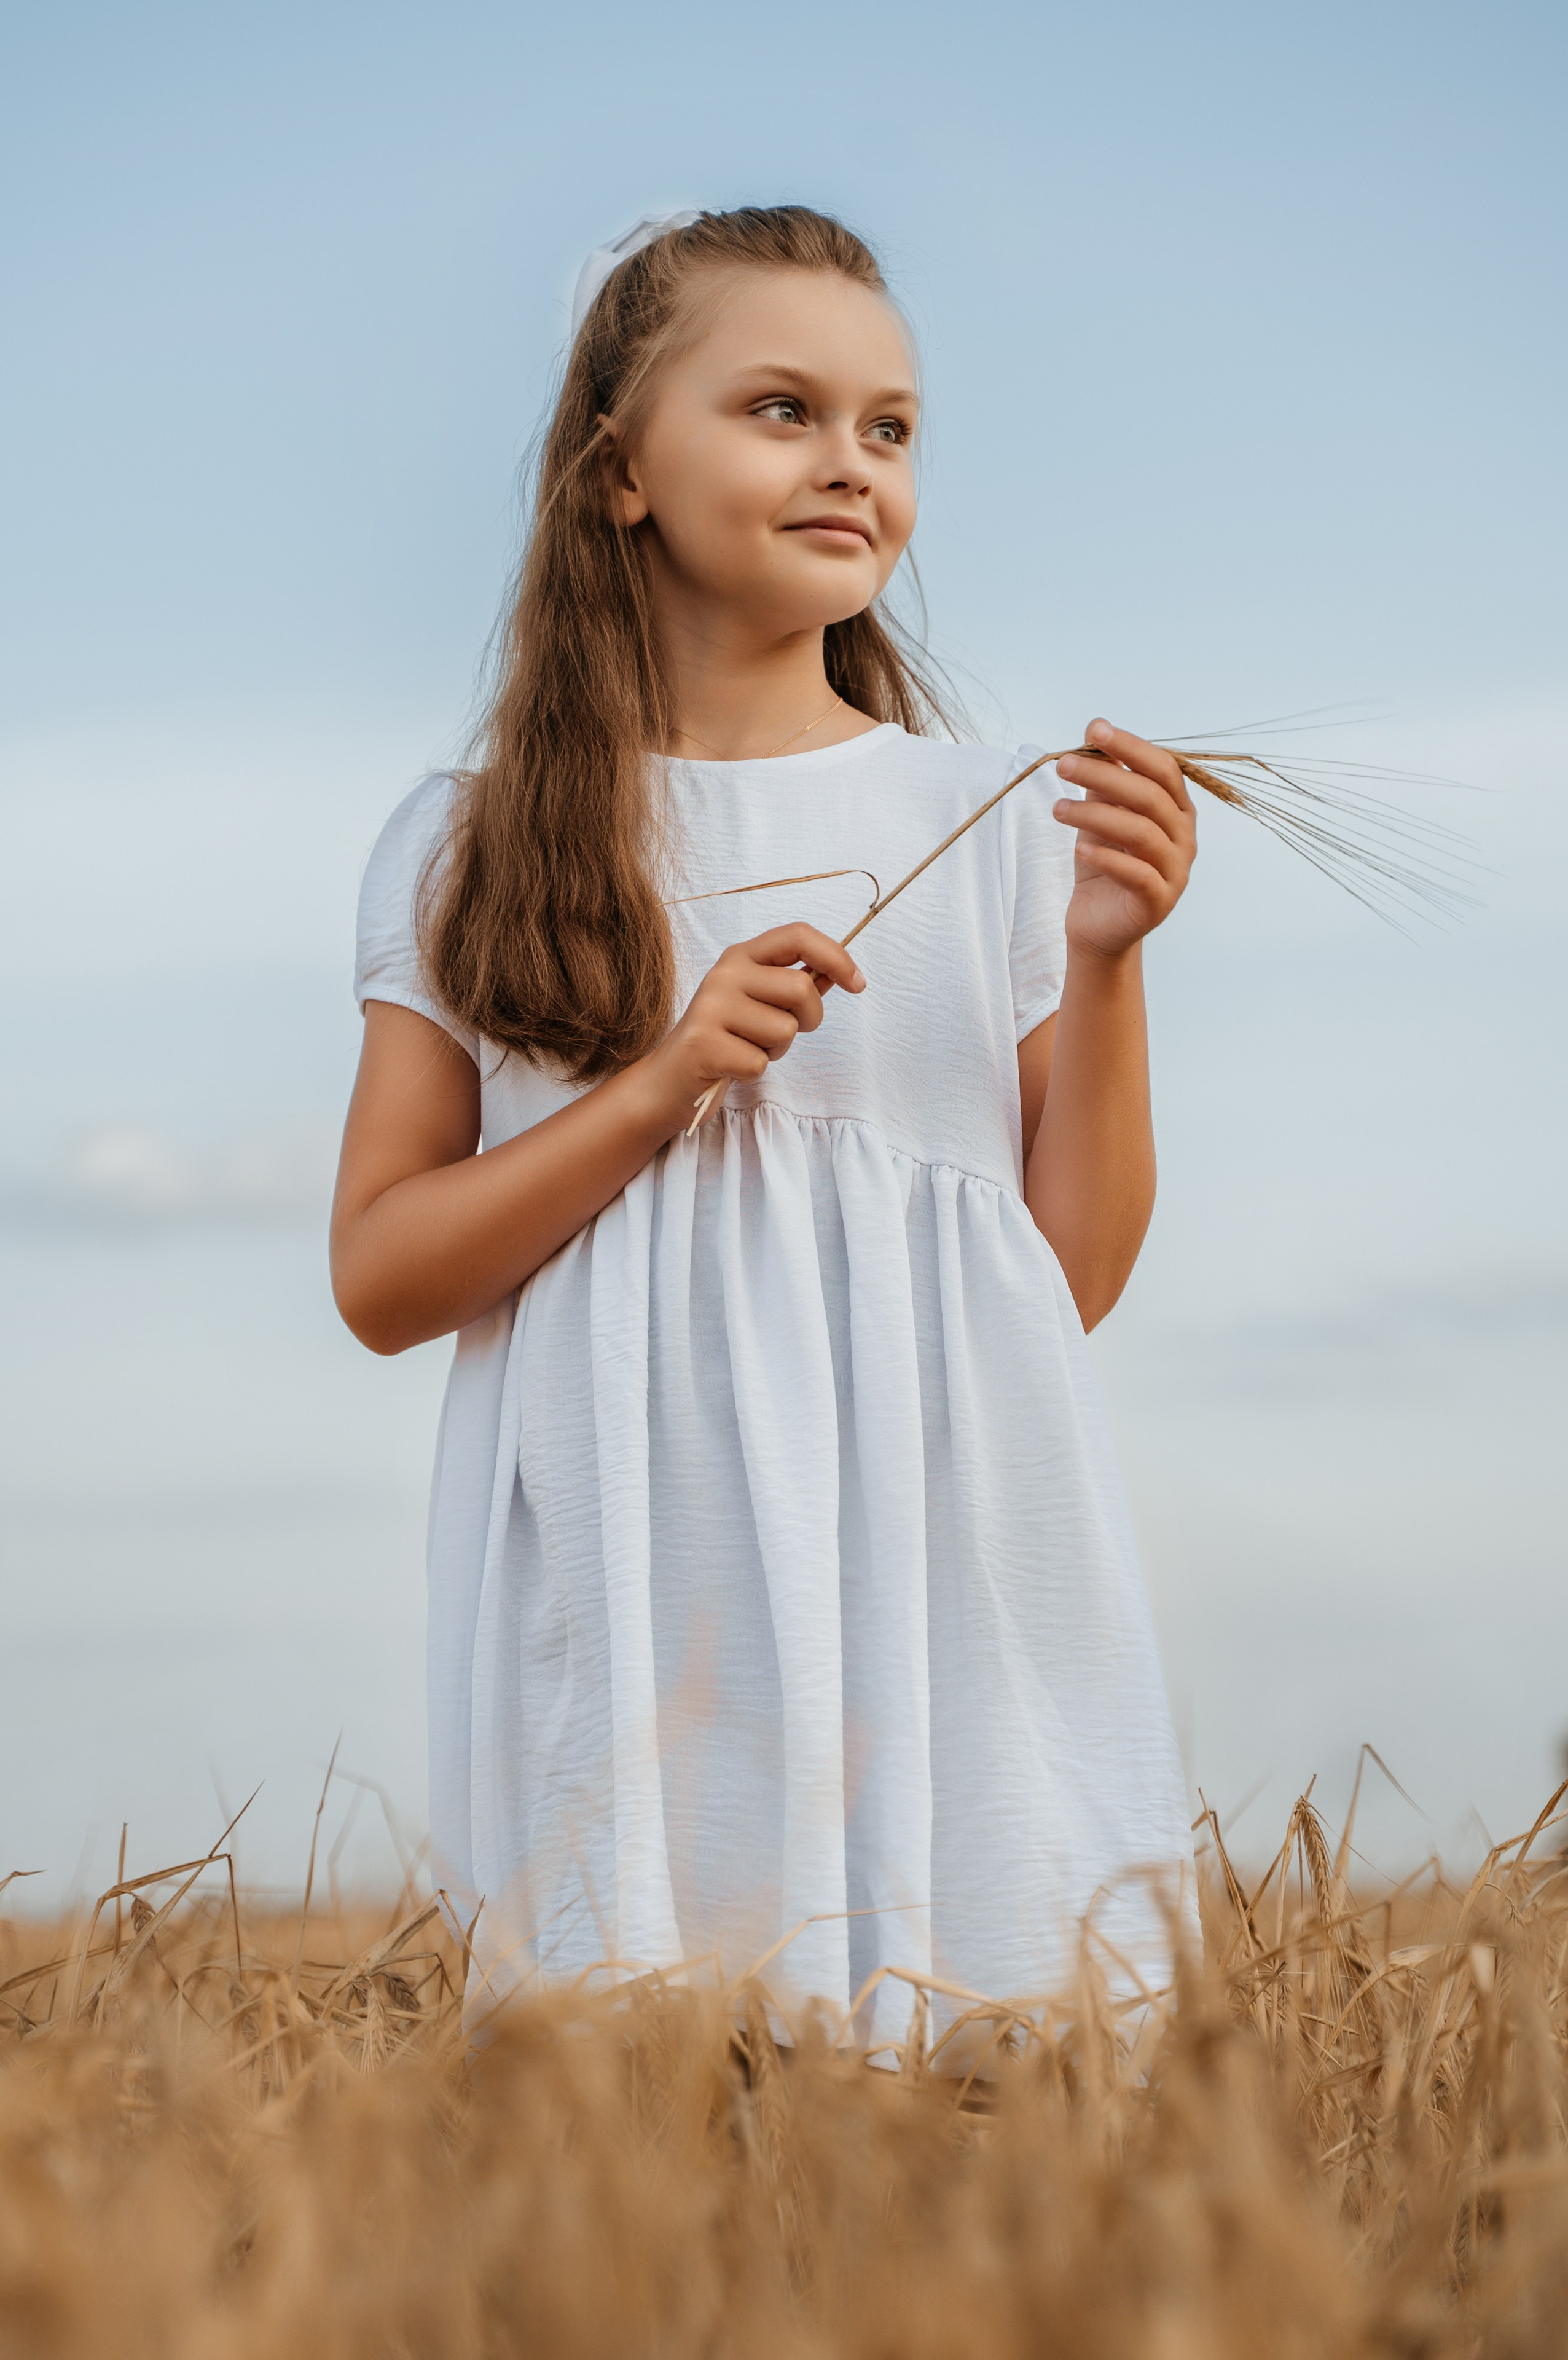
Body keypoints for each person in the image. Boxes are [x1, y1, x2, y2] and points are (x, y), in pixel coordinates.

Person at [332, 205, 1197, 2042]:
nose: (848, 464)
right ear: (620, 467)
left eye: (889, 429)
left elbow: (1074, 1279)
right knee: (656, 2067)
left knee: (979, 2043)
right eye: (783, 409)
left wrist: (1111, 966)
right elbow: (384, 1277)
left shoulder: (995, 824)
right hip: (636, 1558)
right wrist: (656, 1089)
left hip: (939, 1541)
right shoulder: (472, 842)